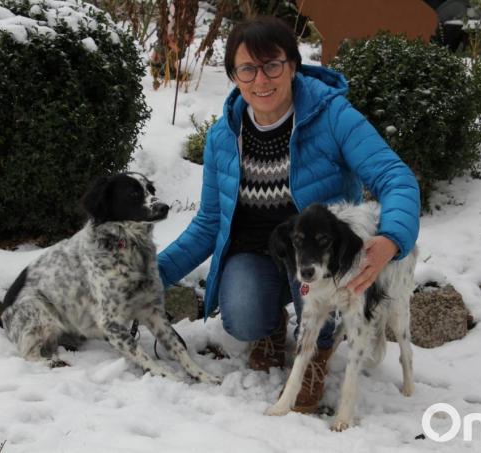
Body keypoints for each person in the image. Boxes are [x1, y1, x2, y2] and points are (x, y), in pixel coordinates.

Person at [157, 16, 420, 412]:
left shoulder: (332, 115)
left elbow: (394, 176)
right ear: (234, 76)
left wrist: (392, 239)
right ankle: (271, 325)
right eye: (247, 68)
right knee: (243, 318)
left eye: (272, 65)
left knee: (324, 314)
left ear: (293, 66)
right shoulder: (223, 136)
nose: (261, 80)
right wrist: (151, 275)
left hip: (323, 251)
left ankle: (319, 352)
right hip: (259, 251)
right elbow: (209, 223)